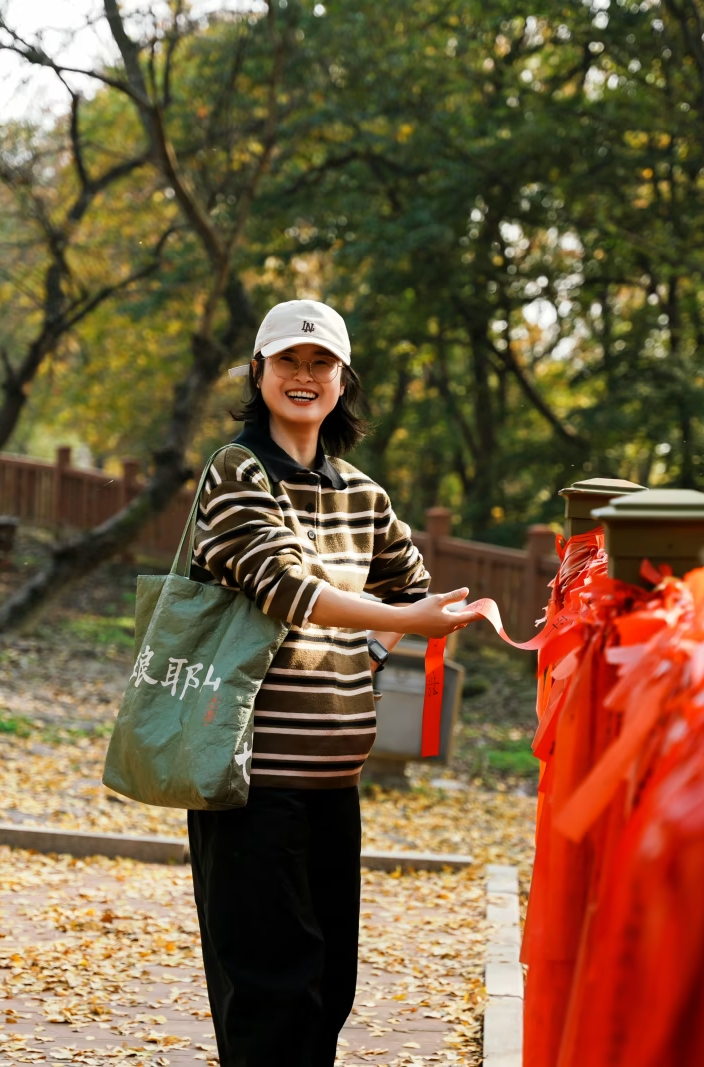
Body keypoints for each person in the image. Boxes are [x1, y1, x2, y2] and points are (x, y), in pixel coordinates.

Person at [186, 298, 481, 1066]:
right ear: (259, 373)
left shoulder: (363, 494)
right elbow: (283, 586)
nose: (305, 376)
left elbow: (408, 586)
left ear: (344, 380)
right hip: (249, 779)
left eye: (321, 363)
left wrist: (378, 651)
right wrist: (403, 624)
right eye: (289, 361)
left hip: (333, 781)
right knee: (270, 989)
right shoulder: (236, 470)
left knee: (327, 987)